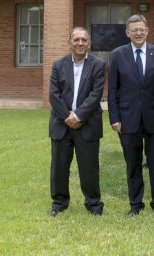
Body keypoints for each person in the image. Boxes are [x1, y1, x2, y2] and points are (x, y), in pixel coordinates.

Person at [108, 14, 154, 217]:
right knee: (133, 164)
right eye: (134, 30)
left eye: (141, 29)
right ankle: (135, 205)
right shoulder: (117, 55)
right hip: (128, 119)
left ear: (147, 31)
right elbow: (112, 90)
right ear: (127, 33)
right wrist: (114, 117)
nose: (138, 33)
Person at [48, 27, 106, 217]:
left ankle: (93, 204)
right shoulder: (58, 64)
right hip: (61, 124)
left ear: (89, 43)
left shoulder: (98, 65)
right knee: (59, 166)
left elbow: (96, 94)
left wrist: (78, 115)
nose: (80, 43)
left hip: (87, 124)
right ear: (70, 42)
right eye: (76, 40)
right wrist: (68, 117)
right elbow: (53, 95)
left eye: (84, 40)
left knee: (89, 167)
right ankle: (59, 203)